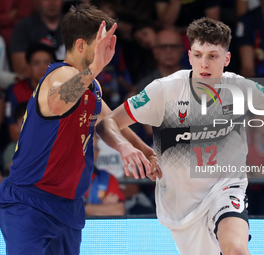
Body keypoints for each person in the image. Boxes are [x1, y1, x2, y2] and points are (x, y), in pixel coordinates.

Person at [97, 17, 264, 255]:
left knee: (237, 250)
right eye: (198, 55)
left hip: (226, 188)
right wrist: (126, 147)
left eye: (213, 55)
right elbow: (107, 123)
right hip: (180, 207)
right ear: (189, 57)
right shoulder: (164, 90)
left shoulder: (240, 89)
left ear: (227, 59)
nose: (205, 64)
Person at [0, 4, 157, 254]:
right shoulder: (58, 76)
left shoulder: (92, 87)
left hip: (68, 206)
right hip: (30, 201)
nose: (108, 52)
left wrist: (142, 149)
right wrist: (95, 67)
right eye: (102, 45)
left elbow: (108, 123)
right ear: (82, 45)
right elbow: (58, 101)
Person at [5, 44, 55, 142]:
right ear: (28, 66)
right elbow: (14, 134)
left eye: (46, 63)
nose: (42, 67)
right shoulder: (15, 90)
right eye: (36, 63)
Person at [10, 0, 65, 78]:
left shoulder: (76, 25)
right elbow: (20, 68)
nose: (52, 3)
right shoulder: (24, 27)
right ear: (36, 1)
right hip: (35, 86)